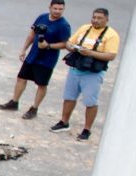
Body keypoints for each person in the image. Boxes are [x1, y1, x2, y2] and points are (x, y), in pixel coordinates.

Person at [50, 7, 120, 141]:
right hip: (76, 68)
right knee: (69, 97)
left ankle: (87, 129)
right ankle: (64, 122)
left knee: (90, 101)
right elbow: (70, 42)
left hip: (93, 73)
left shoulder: (111, 35)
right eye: (94, 17)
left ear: (106, 19)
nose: (96, 20)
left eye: (100, 18)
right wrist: (72, 47)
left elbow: (111, 55)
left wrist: (90, 53)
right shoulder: (85, 28)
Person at [0, 0, 72, 120]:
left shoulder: (64, 25)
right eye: (55, 8)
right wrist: (24, 49)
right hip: (33, 55)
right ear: (50, 7)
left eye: (60, 9)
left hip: (47, 59)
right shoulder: (42, 17)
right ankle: (14, 102)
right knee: (21, 77)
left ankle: (34, 108)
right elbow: (32, 34)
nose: (57, 11)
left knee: (41, 84)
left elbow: (66, 44)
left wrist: (48, 45)